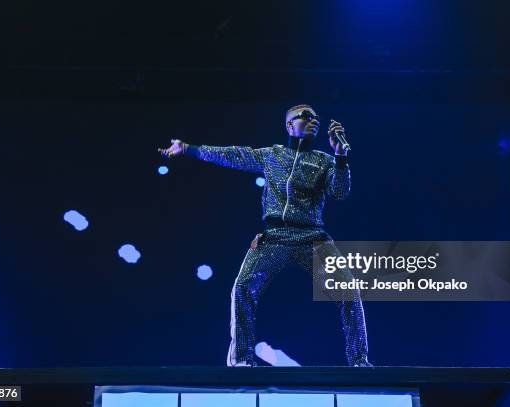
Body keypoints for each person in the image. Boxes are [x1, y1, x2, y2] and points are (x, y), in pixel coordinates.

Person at [158, 104, 370, 367]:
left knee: (348, 289)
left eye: (316, 117)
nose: (313, 120)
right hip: (275, 237)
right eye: (305, 116)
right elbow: (232, 155)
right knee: (243, 287)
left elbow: (339, 192)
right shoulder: (272, 156)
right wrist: (188, 149)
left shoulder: (323, 160)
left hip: (312, 237)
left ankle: (360, 361)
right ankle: (243, 360)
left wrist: (340, 157)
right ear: (289, 125)